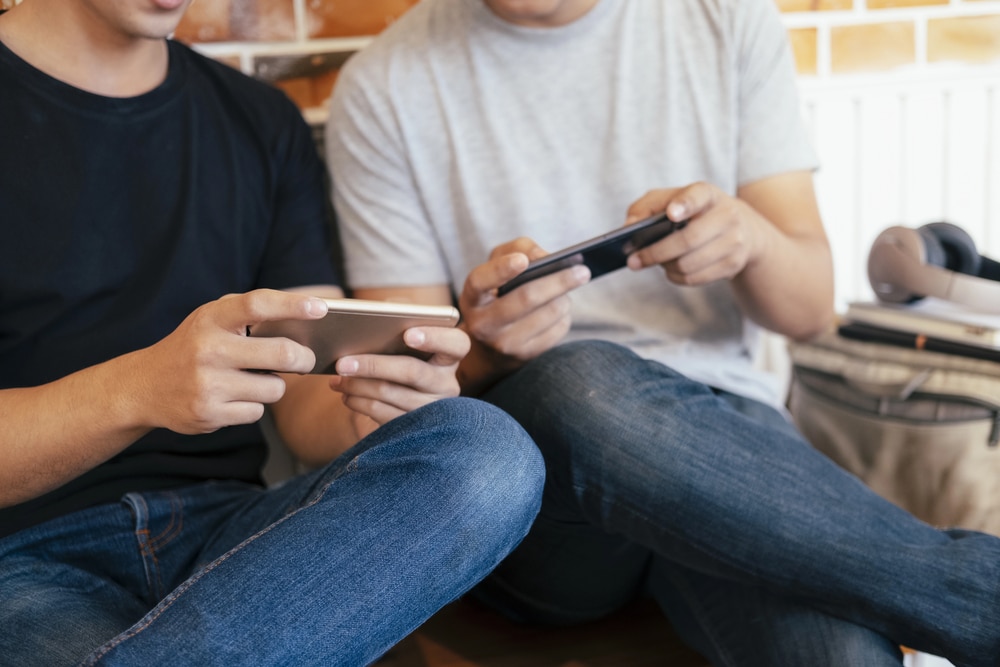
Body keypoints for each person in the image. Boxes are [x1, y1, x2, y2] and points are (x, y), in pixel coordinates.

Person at [324, 0, 1000, 665]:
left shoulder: (724, 18)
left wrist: (753, 243)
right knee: (581, 383)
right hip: (535, 490)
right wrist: (487, 348)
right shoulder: (386, 85)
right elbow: (406, 409)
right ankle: (977, 593)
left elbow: (810, 312)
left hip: (721, 440)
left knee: (837, 650)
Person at [0, 1, 546, 665]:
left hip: (237, 539)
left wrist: (371, 403)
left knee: (488, 451)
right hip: (24, 558)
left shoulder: (259, 120)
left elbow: (303, 398)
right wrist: (140, 389)